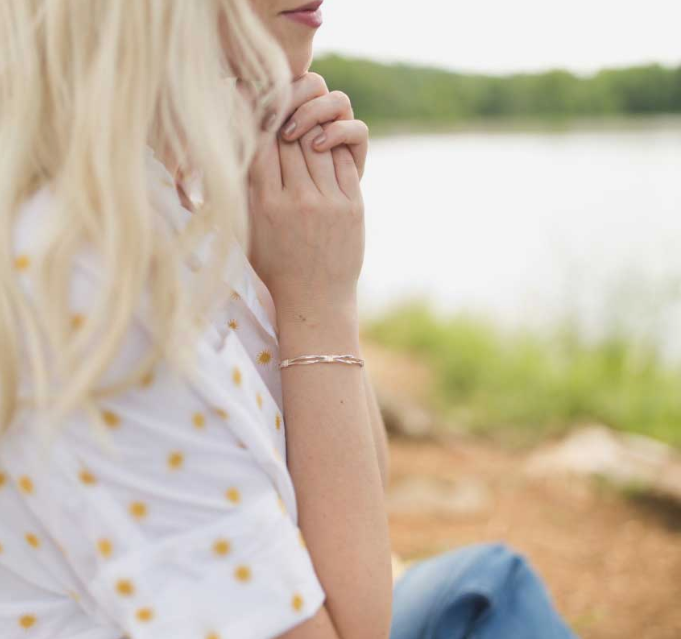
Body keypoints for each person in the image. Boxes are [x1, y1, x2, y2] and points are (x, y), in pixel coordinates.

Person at [0, 1, 577, 638]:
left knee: (487, 585)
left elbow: (363, 488)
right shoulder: (92, 287)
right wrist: (319, 302)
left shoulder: (162, 196)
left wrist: (301, 264)